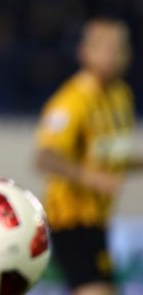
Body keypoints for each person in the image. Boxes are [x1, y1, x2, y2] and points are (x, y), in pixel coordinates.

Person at [34, 18, 143, 295]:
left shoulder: (121, 96)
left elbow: (111, 155)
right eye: (106, 47)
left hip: (98, 222)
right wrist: (89, 177)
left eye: (120, 47)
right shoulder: (71, 101)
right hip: (69, 221)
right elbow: (45, 157)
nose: (114, 55)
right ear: (85, 52)